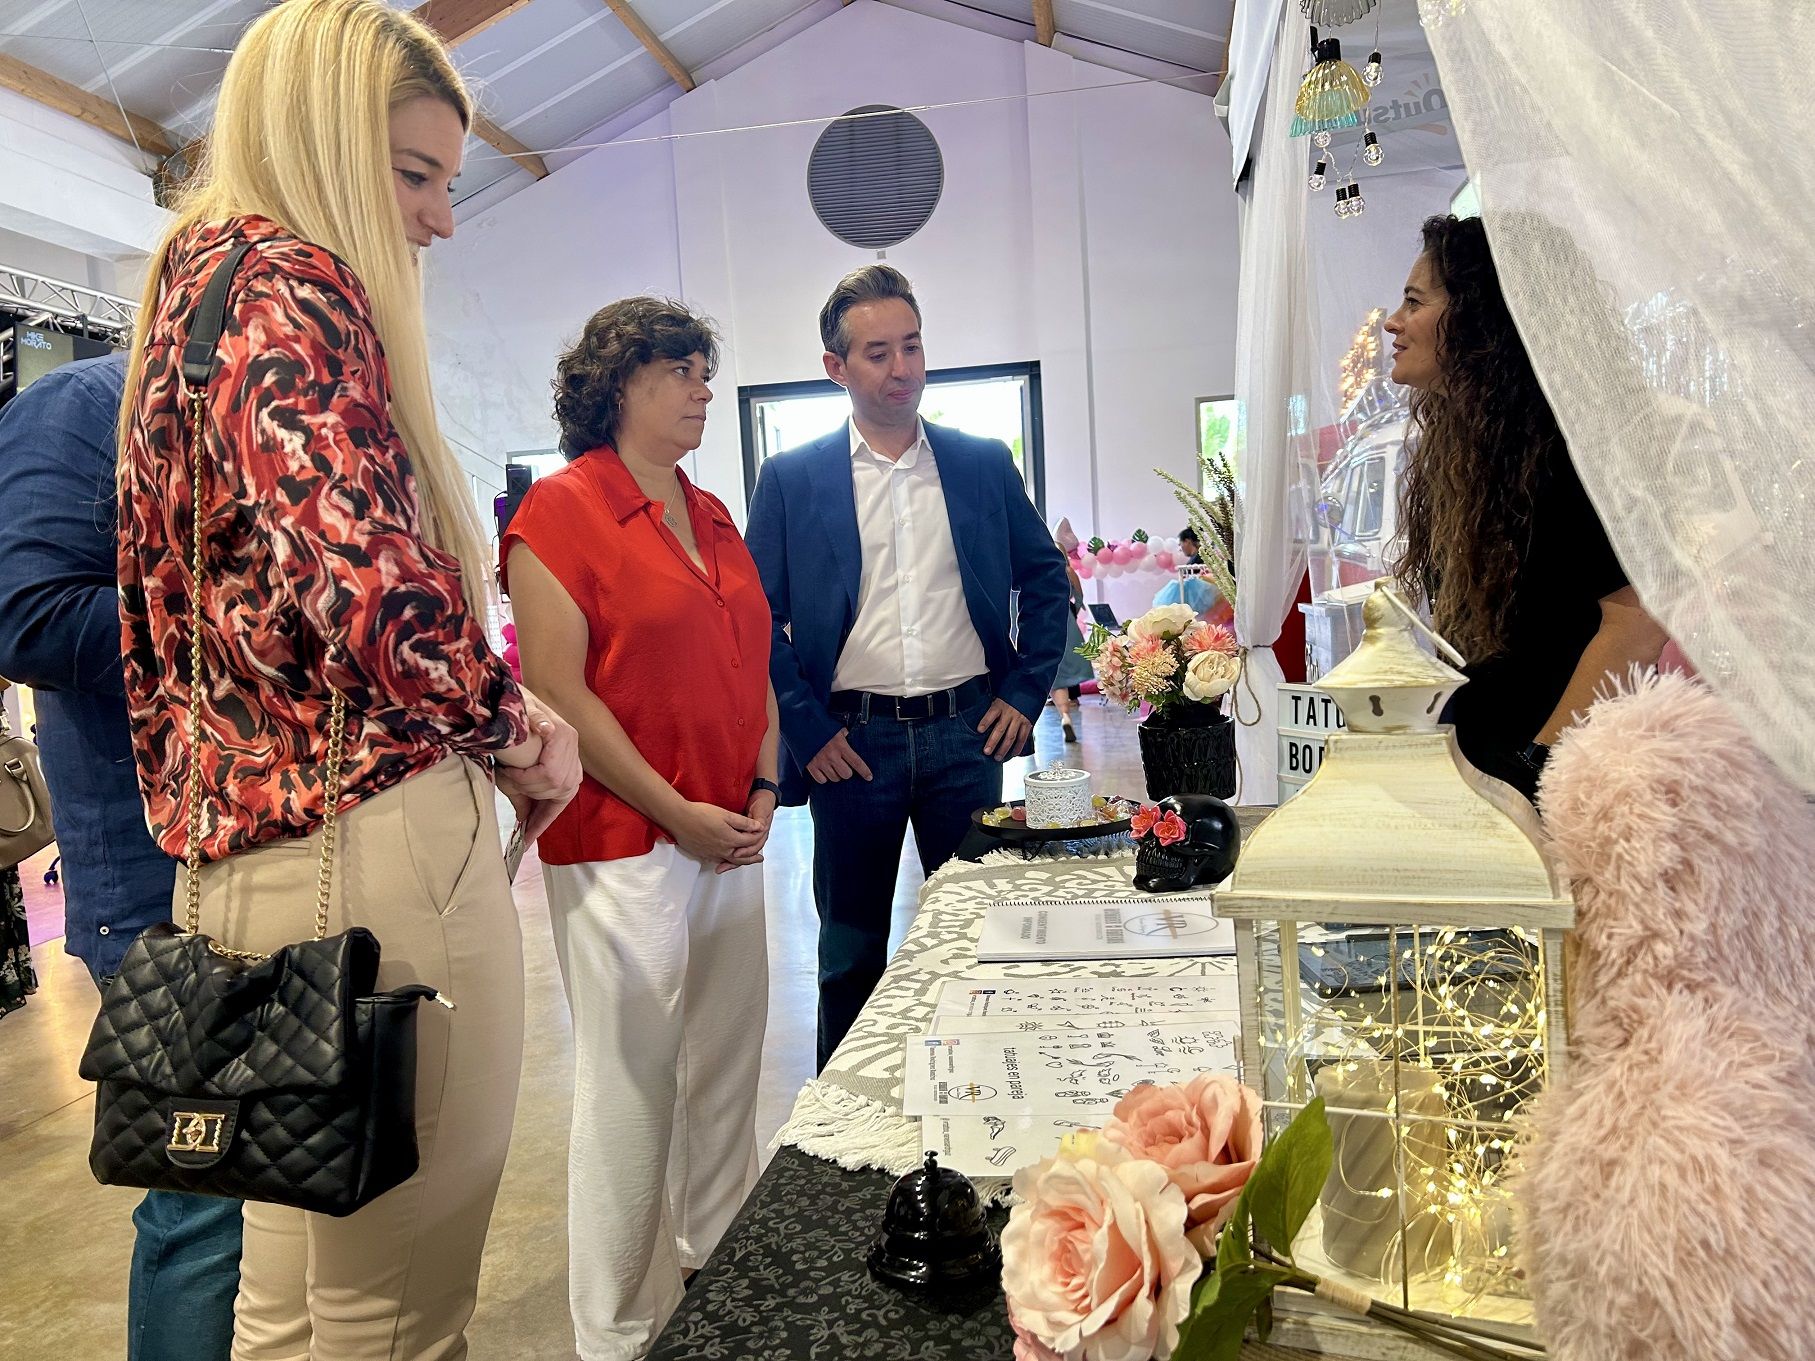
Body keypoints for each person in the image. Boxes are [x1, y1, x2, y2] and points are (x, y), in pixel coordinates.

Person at [113, 2, 581, 1356]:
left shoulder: (187, 297)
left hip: (236, 871)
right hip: (371, 855)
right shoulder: (291, 284)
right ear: (324, 141)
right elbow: (368, 581)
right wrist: (511, 724)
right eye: (413, 173)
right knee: (399, 1310)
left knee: (285, 1306)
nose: (437, 218)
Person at [503, 298, 778, 1359]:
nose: (705, 386)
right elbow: (559, 691)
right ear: (621, 382)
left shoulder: (713, 515)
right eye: (684, 370)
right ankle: (614, 1330)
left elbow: (755, 661)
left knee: (725, 1065)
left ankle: (719, 1258)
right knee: (629, 1085)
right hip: (626, 840)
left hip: (728, 826)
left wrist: (761, 787)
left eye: (707, 368)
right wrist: (679, 814)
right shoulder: (559, 516)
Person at [746, 265, 1071, 1067]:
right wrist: (808, 727)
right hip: (853, 748)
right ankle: (839, 1139)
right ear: (836, 367)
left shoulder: (980, 462)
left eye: (913, 347)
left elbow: (1045, 577)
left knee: (978, 938)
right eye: (878, 353)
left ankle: (979, 1097)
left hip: (969, 736)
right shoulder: (793, 479)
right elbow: (755, 618)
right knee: (849, 955)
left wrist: (1026, 690)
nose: (902, 370)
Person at [0, 352, 241, 1358]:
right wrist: (265, 617)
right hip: (155, 887)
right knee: (204, 1205)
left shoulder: (271, 407)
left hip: (274, 858)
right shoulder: (87, 402)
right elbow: (29, 617)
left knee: (283, 1192)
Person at [1384, 214, 1668, 797]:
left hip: (1561, 787)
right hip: (1495, 768)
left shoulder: (1568, 447)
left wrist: (1536, 769)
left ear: (1484, 316)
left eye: (1414, 302)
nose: (1394, 322)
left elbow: (1638, 620)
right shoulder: (1474, 450)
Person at [1151, 526, 1220, 616]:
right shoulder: (1200, 556)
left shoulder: (1201, 556)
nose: (1180, 548)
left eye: (1181, 544)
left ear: (1187, 541)